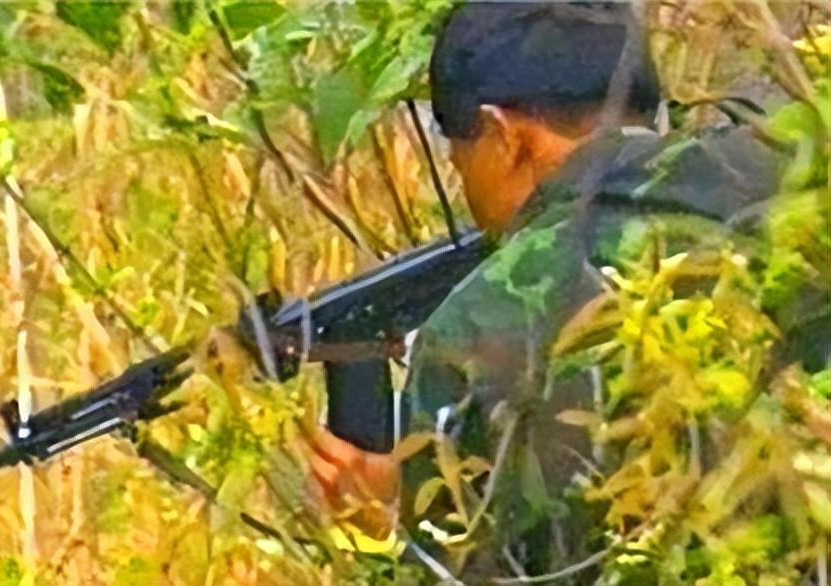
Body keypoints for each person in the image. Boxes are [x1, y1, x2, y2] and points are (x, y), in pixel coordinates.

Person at [299, 2, 790, 578]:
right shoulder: (794, 181)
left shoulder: (474, 329)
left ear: (504, 135)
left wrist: (386, 531)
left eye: (461, 161)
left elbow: (469, 567)